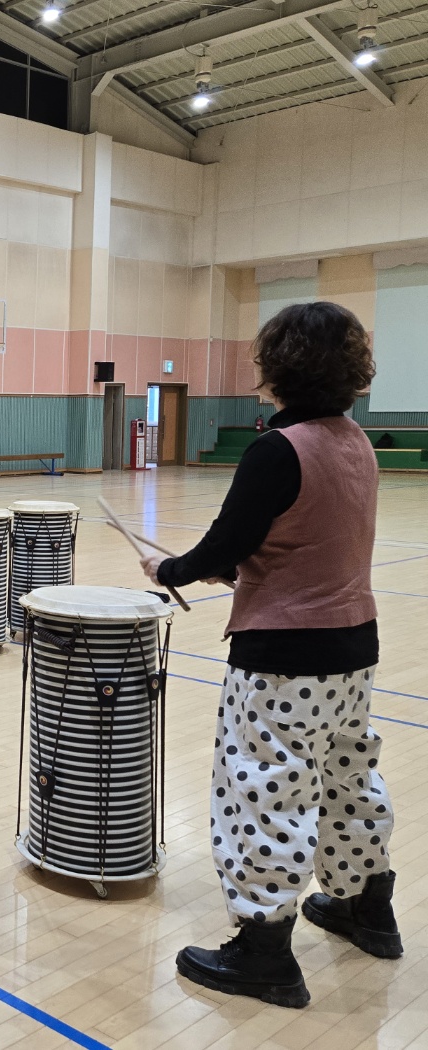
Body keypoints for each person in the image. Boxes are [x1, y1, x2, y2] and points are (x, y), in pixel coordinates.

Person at [141, 301, 399, 1009]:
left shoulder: (277, 450)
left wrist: (168, 571)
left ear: (279, 363)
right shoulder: (355, 440)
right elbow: (301, 538)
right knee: (349, 778)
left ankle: (264, 949)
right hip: (354, 650)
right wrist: (233, 566)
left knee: (262, 793)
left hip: (284, 658)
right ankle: (363, 906)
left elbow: (224, 546)